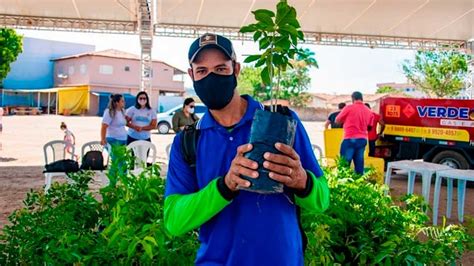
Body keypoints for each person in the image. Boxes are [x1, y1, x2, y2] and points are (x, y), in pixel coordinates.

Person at [164, 33, 330, 265]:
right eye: (202, 71)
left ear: (236, 69)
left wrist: (302, 180)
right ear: (191, 75)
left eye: (221, 69)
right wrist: (225, 186)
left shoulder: (280, 122)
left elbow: (322, 199)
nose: (211, 77)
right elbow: (174, 221)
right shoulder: (188, 141)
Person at [335, 91, 373, 175]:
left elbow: (337, 120)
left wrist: (346, 121)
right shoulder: (369, 111)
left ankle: (343, 185)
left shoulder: (349, 108)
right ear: (362, 99)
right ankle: (358, 184)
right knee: (359, 165)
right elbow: (370, 127)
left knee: (344, 166)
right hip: (362, 140)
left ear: (353, 99)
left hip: (350, 139)